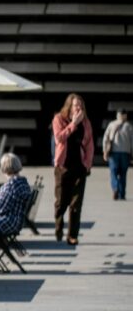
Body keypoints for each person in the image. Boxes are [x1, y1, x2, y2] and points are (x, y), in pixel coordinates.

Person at [52, 93, 94, 245]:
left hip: (79, 167)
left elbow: (89, 144)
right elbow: (59, 138)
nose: (79, 108)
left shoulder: (86, 121)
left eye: (81, 105)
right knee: (61, 202)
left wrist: (87, 164)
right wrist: (73, 124)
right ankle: (58, 226)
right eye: (77, 105)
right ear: (69, 106)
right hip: (63, 167)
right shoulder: (59, 119)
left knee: (76, 204)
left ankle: (72, 236)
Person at [103, 108, 133, 200]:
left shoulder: (111, 125)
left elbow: (106, 138)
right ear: (125, 115)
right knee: (123, 174)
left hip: (113, 153)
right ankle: (122, 194)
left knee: (114, 172)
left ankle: (115, 188)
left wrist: (105, 151)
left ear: (117, 115)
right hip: (125, 153)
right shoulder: (129, 126)